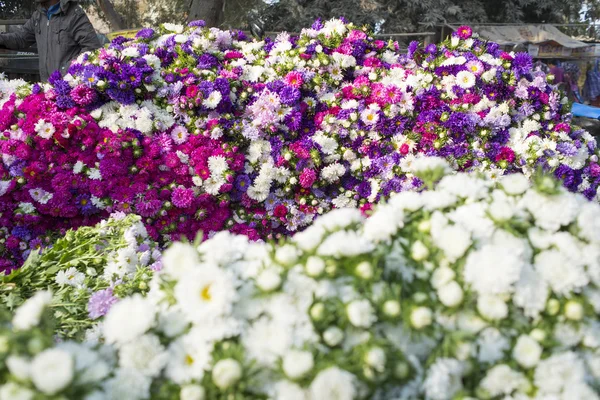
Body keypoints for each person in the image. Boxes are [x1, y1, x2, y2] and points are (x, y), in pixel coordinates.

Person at [0, 0, 101, 81]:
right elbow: (20, 38)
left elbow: (93, 49)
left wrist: (65, 72)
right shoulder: (38, 16)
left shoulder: (74, 15)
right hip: (47, 87)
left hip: (69, 87)